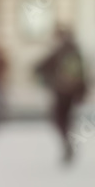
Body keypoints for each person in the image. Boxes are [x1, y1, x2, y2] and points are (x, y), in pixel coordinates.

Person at [34, 23, 87, 163]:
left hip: (62, 91)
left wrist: (48, 80)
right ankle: (67, 141)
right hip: (71, 92)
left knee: (59, 119)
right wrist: (82, 92)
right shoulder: (75, 50)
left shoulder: (60, 51)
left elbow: (39, 67)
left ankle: (66, 141)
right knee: (65, 119)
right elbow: (83, 74)